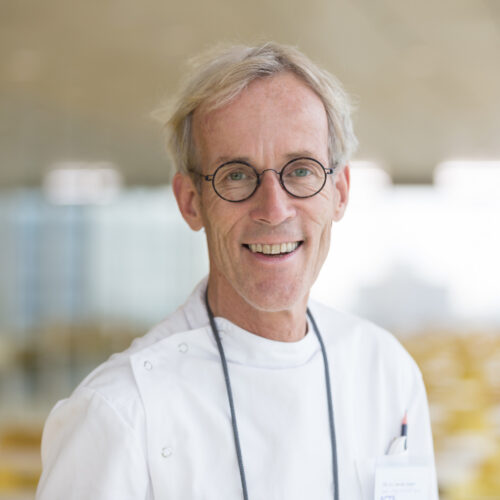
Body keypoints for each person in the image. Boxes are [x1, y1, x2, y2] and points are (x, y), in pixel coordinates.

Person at [36, 42, 438, 500]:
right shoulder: (119, 412)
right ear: (191, 202)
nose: (274, 209)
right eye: (237, 175)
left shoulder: (387, 372)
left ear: (340, 192)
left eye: (301, 170)